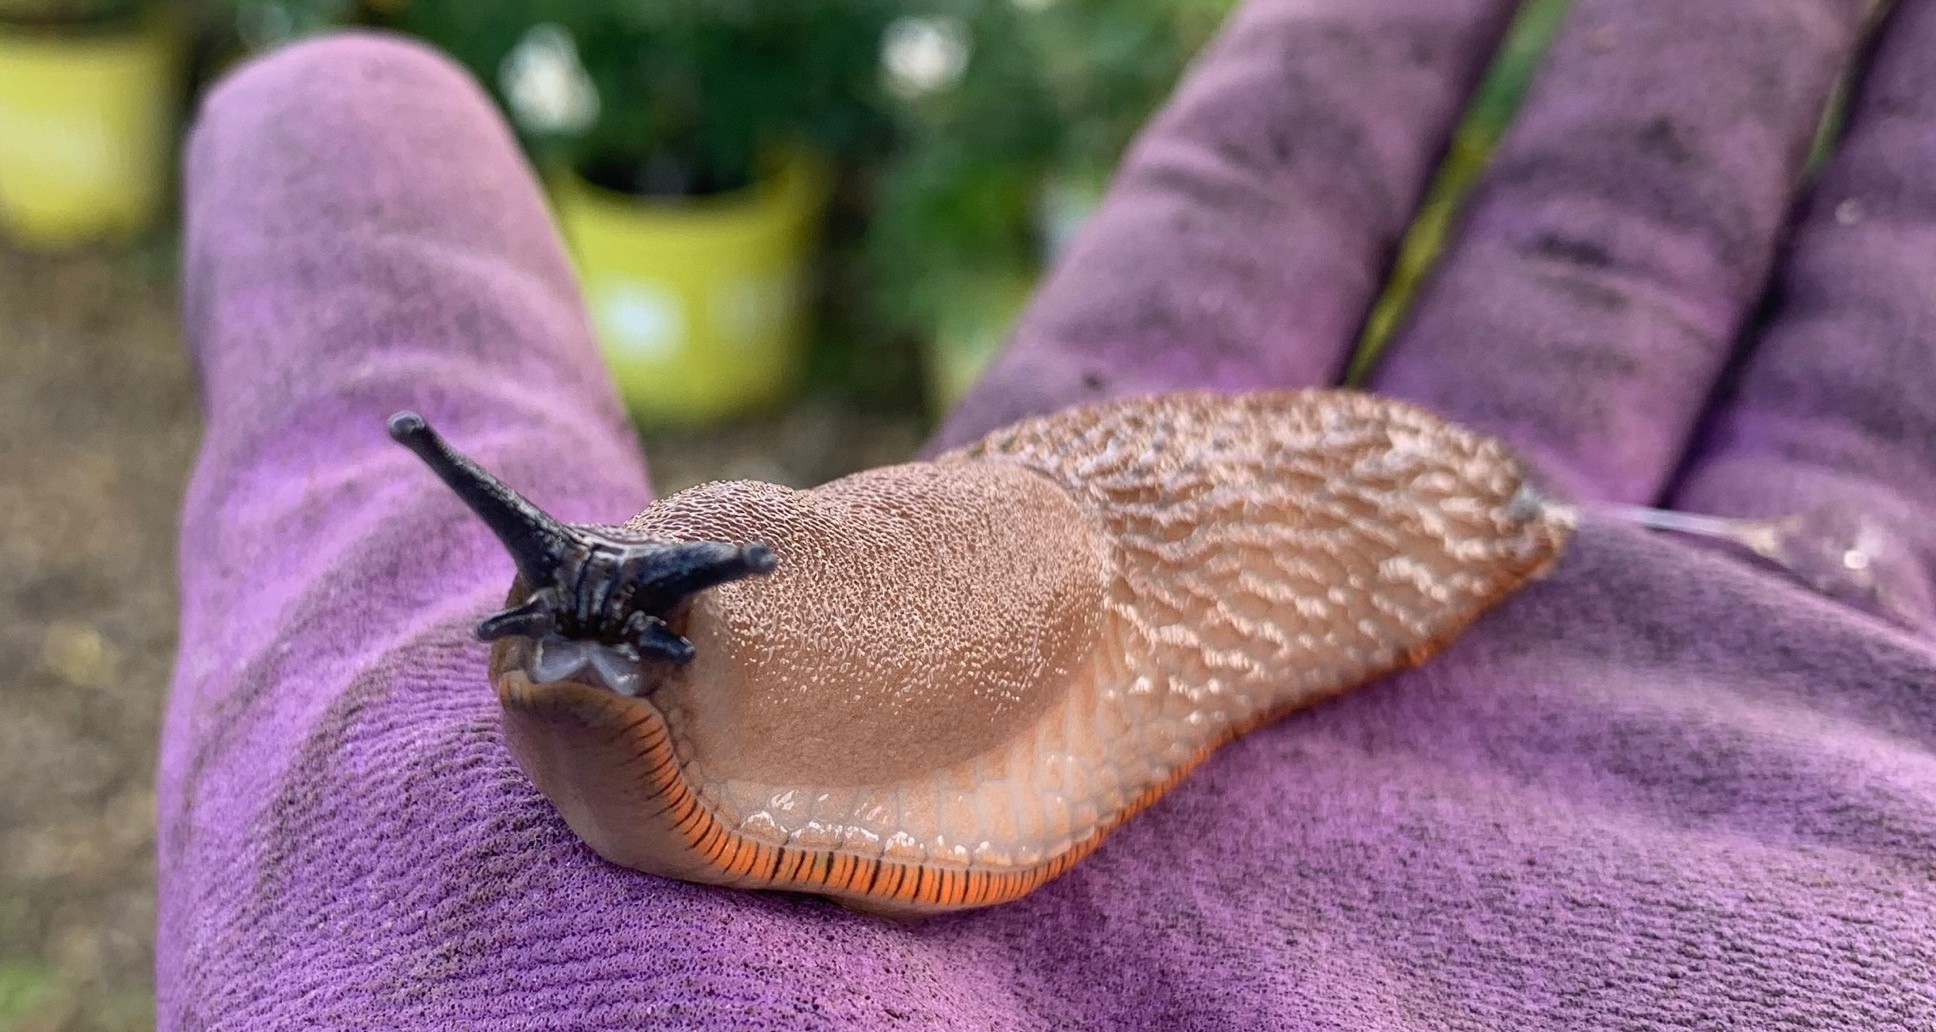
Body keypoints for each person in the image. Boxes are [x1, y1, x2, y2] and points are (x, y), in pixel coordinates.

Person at [161, 0, 1936, 1027]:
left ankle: (1464, 508)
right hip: (1014, 538)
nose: (581, 622)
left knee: (1032, 545)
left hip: (1215, 519)